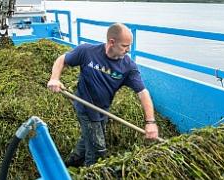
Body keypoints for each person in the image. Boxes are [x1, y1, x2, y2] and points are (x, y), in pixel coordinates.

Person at [47, 23, 158, 167]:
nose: (128, 50)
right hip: (84, 106)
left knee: (89, 139)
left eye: (130, 46)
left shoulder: (128, 67)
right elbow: (62, 59)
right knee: (98, 150)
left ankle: (69, 164)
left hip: (103, 110)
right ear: (112, 42)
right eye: (125, 46)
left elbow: (143, 93)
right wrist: (54, 78)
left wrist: (150, 122)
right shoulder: (87, 51)